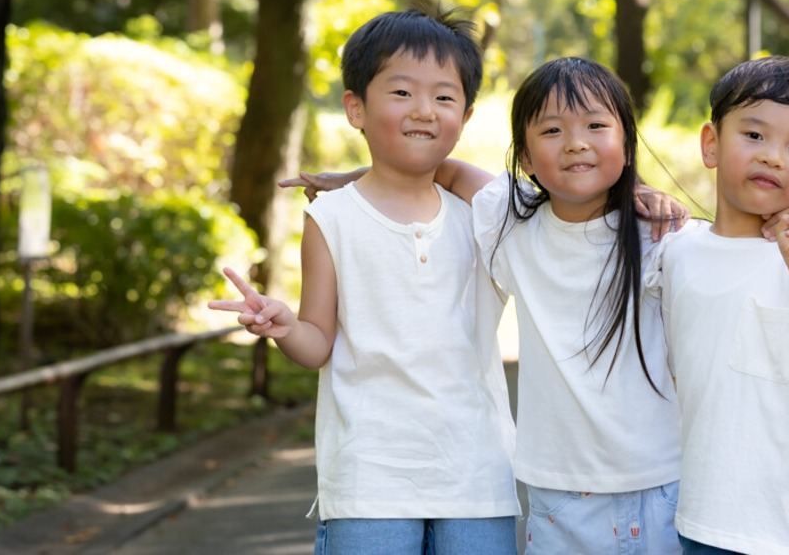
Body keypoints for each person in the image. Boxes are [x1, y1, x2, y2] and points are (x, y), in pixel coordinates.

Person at [290, 56, 691, 554]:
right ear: (524, 157)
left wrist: (650, 195)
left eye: (595, 126)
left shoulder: (664, 239)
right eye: (552, 130)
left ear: (627, 144)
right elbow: (446, 171)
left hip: (662, 483)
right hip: (558, 493)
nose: (577, 142)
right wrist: (354, 179)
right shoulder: (514, 223)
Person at [209, 6, 520, 555]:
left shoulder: (482, 217)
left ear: (466, 117)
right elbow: (317, 343)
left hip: (477, 477)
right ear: (355, 106)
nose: (424, 110)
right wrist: (283, 325)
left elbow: (522, 200)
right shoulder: (332, 218)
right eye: (402, 92)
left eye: (445, 98)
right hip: (368, 480)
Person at [648, 55, 789, 554]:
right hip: (701, 517)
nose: (772, 156)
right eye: (754, 136)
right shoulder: (676, 252)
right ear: (711, 144)